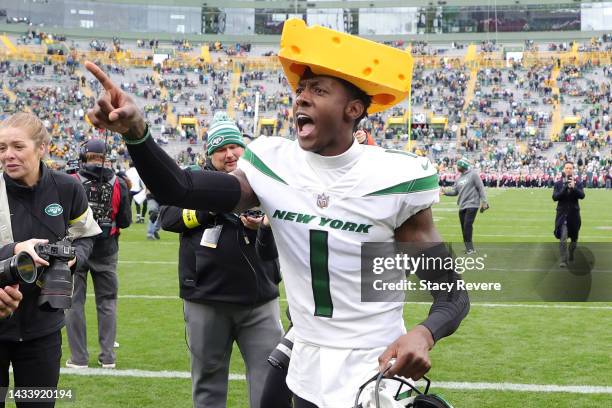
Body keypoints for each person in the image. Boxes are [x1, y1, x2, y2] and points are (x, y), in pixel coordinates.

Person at [83, 22, 469, 407]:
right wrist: (137, 133)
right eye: (300, 89)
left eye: (318, 90)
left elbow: (452, 294)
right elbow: (180, 189)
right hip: (305, 360)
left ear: (353, 108)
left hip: (375, 364)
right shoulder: (273, 164)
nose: (301, 98)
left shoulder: (393, 178)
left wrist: (424, 333)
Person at [158, 112, 284, 408]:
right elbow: (168, 217)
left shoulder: (264, 177)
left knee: (269, 384)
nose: (229, 154)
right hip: (207, 300)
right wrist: (216, 202)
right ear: (209, 154)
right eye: (220, 149)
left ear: (244, 148)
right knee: (207, 385)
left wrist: (264, 223)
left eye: (234, 147)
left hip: (260, 300)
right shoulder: (194, 180)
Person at [0, 112, 101, 408]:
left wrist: (74, 259)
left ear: (42, 147)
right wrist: (15, 251)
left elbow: (86, 236)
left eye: (18, 146)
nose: (8, 155)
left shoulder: (67, 188)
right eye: (2, 148)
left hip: (43, 328)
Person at [65, 138, 132, 369]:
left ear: (83, 156)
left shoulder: (70, 180)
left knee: (73, 303)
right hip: (107, 248)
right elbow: (125, 220)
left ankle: (79, 358)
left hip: (75, 248)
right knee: (107, 303)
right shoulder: (119, 183)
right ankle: (107, 357)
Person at [441, 158, 489, 254]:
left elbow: (481, 188)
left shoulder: (473, 175)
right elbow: (455, 192)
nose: (457, 167)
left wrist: (484, 202)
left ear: (462, 166)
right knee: (464, 227)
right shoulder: (458, 178)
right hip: (462, 205)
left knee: (467, 225)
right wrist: (445, 192)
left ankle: (470, 248)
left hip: (472, 204)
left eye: (458, 165)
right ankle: (468, 248)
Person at [553, 161, 585, 267]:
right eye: (566, 168)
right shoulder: (558, 183)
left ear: (573, 170)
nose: (568, 170)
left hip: (574, 215)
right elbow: (555, 197)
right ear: (563, 169)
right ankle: (563, 259)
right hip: (562, 215)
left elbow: (582, 196)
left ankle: (571, 254)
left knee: (574, 239)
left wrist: (574, 188)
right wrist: (564, 188)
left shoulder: (578, 182)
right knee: (563, 236)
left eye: (570, 168)